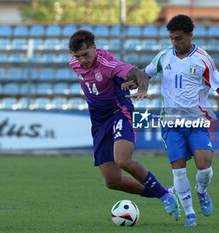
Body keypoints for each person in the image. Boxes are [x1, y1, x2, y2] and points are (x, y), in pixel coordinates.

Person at [125, 15, 219, 226]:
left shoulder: (203, 59)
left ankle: (202, 191)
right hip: (171, 124)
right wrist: (136, 83)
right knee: (178, 169)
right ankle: (190, 214)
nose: (174, 43)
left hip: (197, 123)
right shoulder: (164, 57)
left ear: (190, 35)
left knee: (204, 168)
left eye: (178, 38)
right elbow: (145, 74)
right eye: (171, 38)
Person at [68, 30, 180, 221]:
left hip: (119, 113)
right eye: (78, 56)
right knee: (112, 181)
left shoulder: (108, 64)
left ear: (95, 48)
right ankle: (165, 191)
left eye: (86, 54)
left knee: (123, 161)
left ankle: (164, 196)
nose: (82, 60)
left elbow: (139, 74)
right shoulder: (74, 63)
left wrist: (142, 89)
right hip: (98, 122)